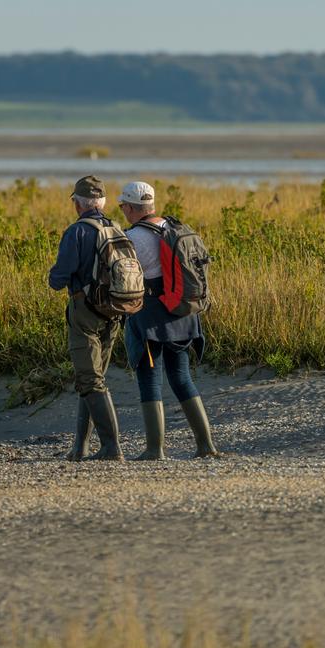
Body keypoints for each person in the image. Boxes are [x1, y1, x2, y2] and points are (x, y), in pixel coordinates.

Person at [117, 180, 221, 459]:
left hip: (149, 316)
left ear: (130, 207)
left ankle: (154, 449)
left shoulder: (132, 238)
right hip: (182, 312)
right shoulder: (174, 228)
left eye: (123, 206)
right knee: (181, 377)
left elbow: (123, 277)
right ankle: (206, 446)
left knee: (149, 379)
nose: (122, 211)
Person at [46, 175, 124, 461]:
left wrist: (52, 279)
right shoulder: (116, 227)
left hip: (85, 312)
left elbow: (59, 278)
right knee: (93, 377)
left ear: (78, 203)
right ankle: (80, 447)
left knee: (89, 378)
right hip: (114, 312)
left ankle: (111, 447)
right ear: (101, 202)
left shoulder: (77, 232)